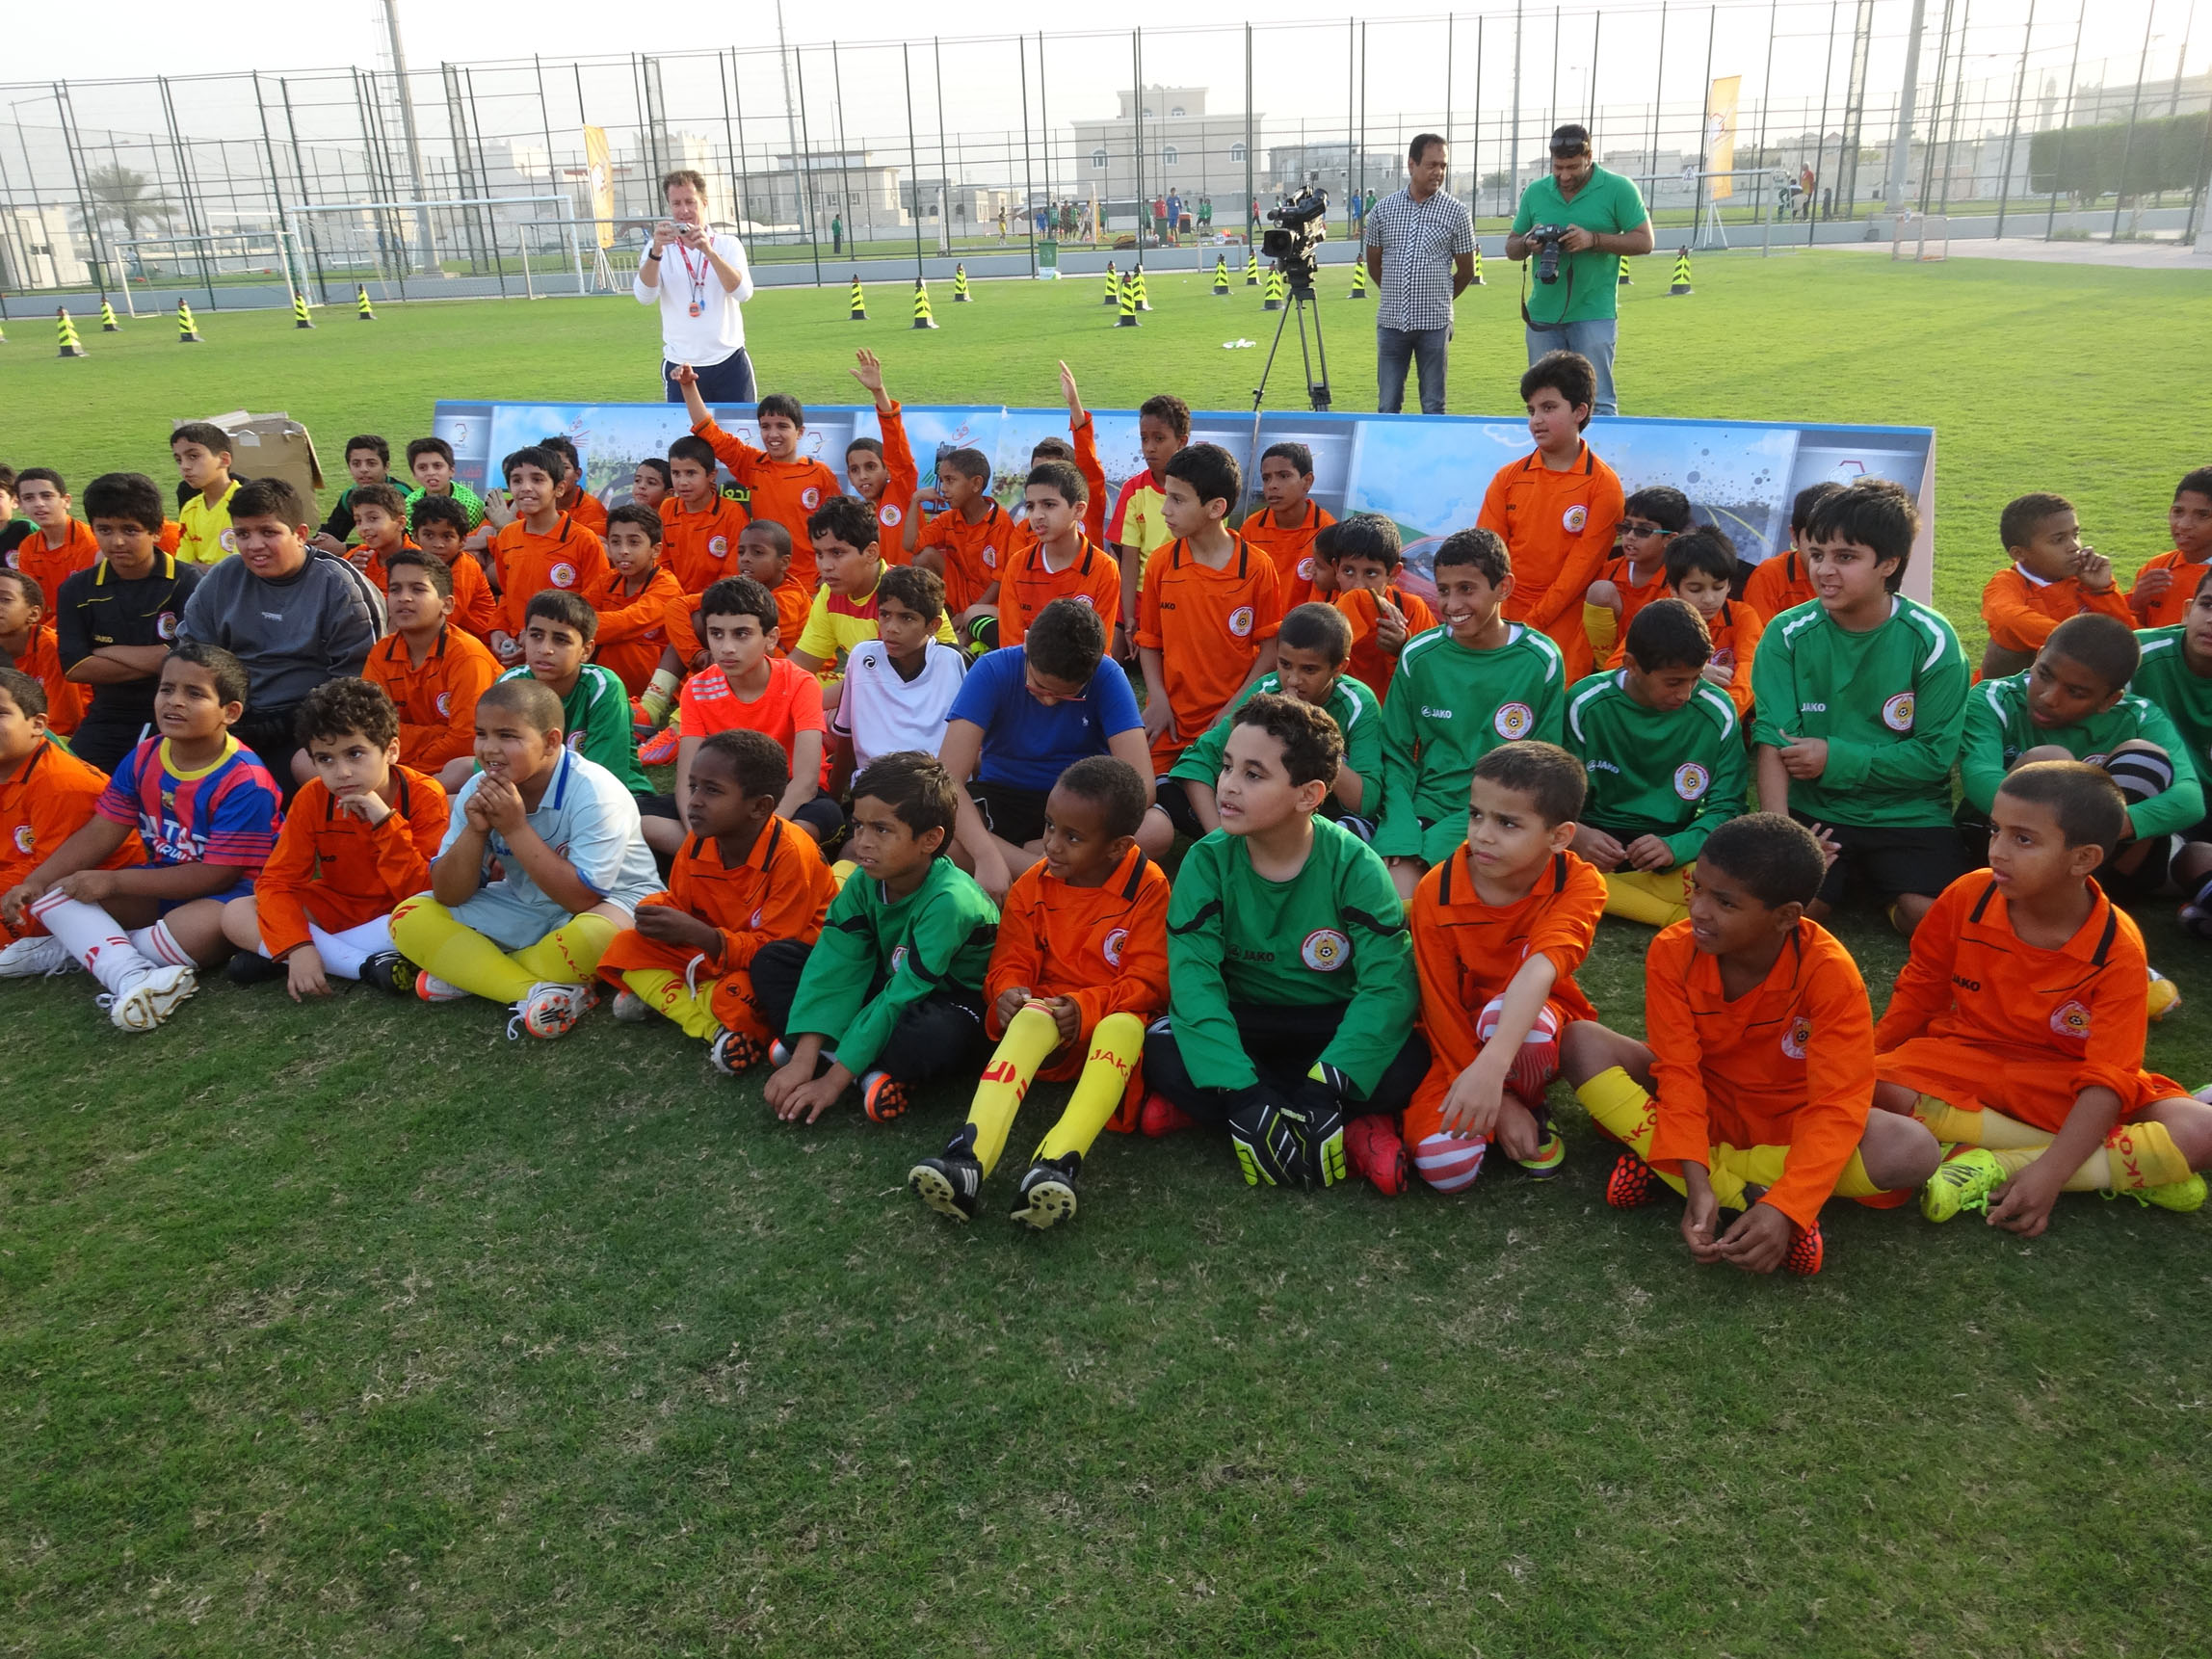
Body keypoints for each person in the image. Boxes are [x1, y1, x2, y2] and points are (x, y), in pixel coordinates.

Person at [1565, 813, 1940, 1277]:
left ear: (1786, 917)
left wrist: (1786, 1207)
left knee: (1913, 1149)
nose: (1699, 910)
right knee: (1581, 1040)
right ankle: (1727, 1191)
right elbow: (1678, 1072)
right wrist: (1699, 1182)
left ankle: (1670, 1169)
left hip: (1789, 1121)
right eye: (1697, 889)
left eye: (1724, 902)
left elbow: (1837, 1103)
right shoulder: (1672, 950)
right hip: (1703, 1107)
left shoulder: (1830, 972)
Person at [1881, 762, 2212, 1230]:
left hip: (2064, 1081)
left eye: (2023, 839)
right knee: (1866, 1087)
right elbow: (1919, 990)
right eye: (1996, 830)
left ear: (2084, 859)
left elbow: (2107, 1080)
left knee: (2201, 1130)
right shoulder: (1968, 895)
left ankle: (1997, 1164)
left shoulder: (2117, 948)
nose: (1997, 850)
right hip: (1963, 1059)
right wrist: (1869, 1057)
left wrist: (2051, 1174)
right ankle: (2129, 1167)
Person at [1141, 695, 1427, 1190]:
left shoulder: (1356, 865)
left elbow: (1388, 987)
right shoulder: (1206, 862)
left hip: (1329, 1020)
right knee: (1162, 1047)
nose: (1228, 785)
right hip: (1245, 1019)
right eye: (1227, 766)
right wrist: (1242, 1093)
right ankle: (1322, 1118)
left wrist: (1329, 1081)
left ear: (1309, 795)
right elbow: (1194, 983)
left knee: (1410, 1058)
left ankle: (1275, 1108)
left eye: (1254, 775)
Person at [908, 756, 1170, 1228]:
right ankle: (967, 1159)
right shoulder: (1034, 884)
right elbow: (1009, 961)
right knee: (1032, 1015)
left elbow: (1150, 982)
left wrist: (1085, 1008)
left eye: (1073, 837)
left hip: (1107, 1033)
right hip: (1046, 1028)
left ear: (1118, 847)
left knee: (1123, 1025)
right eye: (1049, 826)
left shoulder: (1148, 888)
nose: (1051, 844)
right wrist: (1008, 992)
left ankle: (1056, 1165)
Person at [0, 644, 280, 1030]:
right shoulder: (145, 755)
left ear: (230, 712)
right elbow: (102, 829)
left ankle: (97, 956)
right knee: (59, 893)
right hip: (165, 878)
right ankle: (126, 970)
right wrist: (36, 881)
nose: (175, 701)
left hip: (238, 894)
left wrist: (115, 882)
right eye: (166, 688)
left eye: (194, 693)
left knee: (191, 934)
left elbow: (218, 874)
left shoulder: (245, 779)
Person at [1751, 478, 1968, 936]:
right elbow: (1773, 740)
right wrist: (1783, 835)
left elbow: (1935, 757)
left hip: (1908, 813)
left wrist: (1834, 756)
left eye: (1846, 557)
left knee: (1929, 920)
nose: (1824, 570)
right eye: (1817, 554)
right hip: (1818, 810)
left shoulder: (1933, 640)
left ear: (1889, 563)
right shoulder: (1785, 634)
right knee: (1790, 916)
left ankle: (1879, 889)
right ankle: (1850, 881)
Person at [391, 676, 660, 1038]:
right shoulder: (478, 788)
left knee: (597, 936)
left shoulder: (595, 790)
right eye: (481, 734)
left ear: (551, 742)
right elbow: (448, 894)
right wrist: (475, 832)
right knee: (409, 916)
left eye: (507, 736)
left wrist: (515, 828)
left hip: (610, 905)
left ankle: (475, 972)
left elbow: (583, 899)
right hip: (528, 904)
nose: (489, 749)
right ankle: (534, 991)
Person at [1398, 742, 1605, 1194]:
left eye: (1507, 823)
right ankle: (1501, 1106)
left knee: (1507, 1018)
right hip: (1455, 1047)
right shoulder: (1436, 890)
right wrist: (1494, 1094)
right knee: (1445, 1168)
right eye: (1476, 815)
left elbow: (1540, 969)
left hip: (1536, 1030)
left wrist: (1494, 1072)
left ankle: (1530, 1099)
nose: (1483, 835)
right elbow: (1439, 1009)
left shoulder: (1579, 883)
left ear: (1560, 837)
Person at [755, 750, 1001, 1125]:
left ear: (930, 839)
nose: (863, 842)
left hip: (946, 1000)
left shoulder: (950, 900)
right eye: (859, 826)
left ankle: (844, 1061)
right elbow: (836, 962)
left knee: (932, 1037)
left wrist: (831, 1085)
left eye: (882, 830)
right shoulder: (862, 879)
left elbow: (904, 994)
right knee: (774, 960)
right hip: (888, 981)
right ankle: (844, 1061)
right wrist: (803, 1059)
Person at [596, 728, 836, 1071]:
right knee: (625, 948)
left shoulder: (791, 854)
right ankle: (709, 1017)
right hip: (718, 947)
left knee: (737, 996)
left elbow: (775, 953)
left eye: (712, 790)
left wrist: (701, 935)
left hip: (779, 963)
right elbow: (682, 903)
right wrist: (659, 913)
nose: (694, 801)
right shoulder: (698, 842)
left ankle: (690, 1008)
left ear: (760, 807)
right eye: (693, 786)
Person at [1959, 614, 2200, 923]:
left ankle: (2093, 892)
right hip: (1999, 847)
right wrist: (2062, 825)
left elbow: (2190, 799)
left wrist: (2101, 824)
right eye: (2044, 674)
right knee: (2050, 761)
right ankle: (2062, 899)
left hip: (2098, 855)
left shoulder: (2140, 715)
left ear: (2109, 700)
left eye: (2075, 692)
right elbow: (1978, 777)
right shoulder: (1995, 697)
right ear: (2039, 655)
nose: (2049, 697)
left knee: (2147, 758)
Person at [219, 677, 447, 999]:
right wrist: (298, 947)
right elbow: (278, 881)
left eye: (355, 754)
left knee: (433, 918)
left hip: (402, 911)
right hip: (338, 908)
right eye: (325, 759)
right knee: (236, 913)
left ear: (391, 750)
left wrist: (384, 822)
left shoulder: (425, 795)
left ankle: (292, 956)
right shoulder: (312, 797)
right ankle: (362, 964)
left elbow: (424, 889)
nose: (342, 772)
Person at [1377, 527, 1567, 899]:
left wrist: (1441, 844)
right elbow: (1395, 753)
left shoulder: (1541, 659)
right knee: (1393, 898)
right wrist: (1399, 830)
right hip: (1427, 807)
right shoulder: (1419, 655)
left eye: (1467, 589)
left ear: (1504, 587)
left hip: (1500, 815)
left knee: (1439, 894)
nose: (1451, 605)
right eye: (1443, 590)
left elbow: (1544, 766)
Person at [177, 477, 383, 798]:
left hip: (313, 728)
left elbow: (359, 685)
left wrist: (294, 722)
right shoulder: (223, 577)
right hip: (231, 718)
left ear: (300, 534)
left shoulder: (339, 586)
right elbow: (190, 656)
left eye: (268, 532)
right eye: (242, 534)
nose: (254, 545)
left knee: (268, 790)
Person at [940, 596, 1153, 903]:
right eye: (1038, 687)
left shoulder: (1107, 675)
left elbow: (1142, 784)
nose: (1050, 701)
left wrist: (1075, 833)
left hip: (1081, 802)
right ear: (1026, 643)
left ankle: (1031, 870)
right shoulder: (992, 669)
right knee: (940, 835)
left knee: (1156, 829)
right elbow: (947, 779)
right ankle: (1050, 870)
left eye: (1067, 695)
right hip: (1004, 794)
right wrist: (986, 855)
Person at [1146, 602, 1382, 856]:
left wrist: (1309, 729)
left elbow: (1365, 802)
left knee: (1360, 828)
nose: (1293, 680)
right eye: (1285, 664)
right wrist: (1221, 839)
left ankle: (1285, 852)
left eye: (1309, 670)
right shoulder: (1267, 690)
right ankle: (1242, 848)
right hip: (1261, 808)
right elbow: (1196, 762)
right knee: (1168, 788)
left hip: (1320, 814)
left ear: (1339, 668)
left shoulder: (1359, 704)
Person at [1567, 598, 1749, 928]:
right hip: (1596, 837)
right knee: (1537, 856)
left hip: (1675, 841)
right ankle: (1670, 912)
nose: (1687, 693)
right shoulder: (1585, 702)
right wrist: (1579, 834)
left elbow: (1729, 807)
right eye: (1674, 682)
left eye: (1696, 678)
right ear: (1632, 665)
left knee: (1742, 868)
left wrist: (1676, 846)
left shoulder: (1717, 710)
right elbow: (1551, 792)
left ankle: (1599, 889)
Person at [1478, 350, 1625, 679]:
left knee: (1555, 695)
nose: (1536, 421)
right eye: (1531, 410)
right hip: (1503, 606)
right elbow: (1486, 556)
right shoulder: (1507, 478)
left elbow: (1580, 571)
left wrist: (1533, 622)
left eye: (1548, 408)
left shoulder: (1603, 485)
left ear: (1580, 412)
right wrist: (1499, 617)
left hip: (1566, 612)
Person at [476, 594, 665, 851]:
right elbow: (489, 768)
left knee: (647, 827)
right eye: (536, 636)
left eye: (561, 640)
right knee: (459, 778)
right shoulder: (511, 684)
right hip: (532, 796)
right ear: (523, 638)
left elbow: (603, 779)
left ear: (586, 650)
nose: (545, 649)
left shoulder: (602, 686)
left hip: (611, 799)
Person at [1136, 444, 1282, 775]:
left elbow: (1270, 651)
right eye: (1166, 496)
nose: (1165, 510)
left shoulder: (1257, 567)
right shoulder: (1161, 563)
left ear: (1216, 508)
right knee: (1138, 788)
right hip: (1170, 717)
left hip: (1233, 716)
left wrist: (1234, 710)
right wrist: (1158, 701)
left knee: (1231, 786)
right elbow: (1149, 641)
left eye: (1178, 500)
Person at [53, 472, 202, 774]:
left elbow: (191, 661)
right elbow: (75, 668)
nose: (117, 541)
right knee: (72, 779)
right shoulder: (76, 590)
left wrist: (106, 652)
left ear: (156, 531)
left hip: (173, 711)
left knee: (145, 783)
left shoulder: (188, 582)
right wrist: (161, 658)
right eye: (104, 530)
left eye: (130, 530)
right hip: (106, 714)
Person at [675, 576, 838, 846]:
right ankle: (718, 849)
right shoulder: (697, 688)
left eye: (741, 634)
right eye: (716, 634)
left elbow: (807, 781)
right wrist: (695, 833)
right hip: (724, 795)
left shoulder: (799, 683)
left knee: (815, 820)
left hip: (788, 793)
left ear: (771, 638)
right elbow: (686, 782)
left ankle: (750, 848)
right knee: (643, 816)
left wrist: (758, 836)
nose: (726, 647)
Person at [1506, 123, 1655, 417]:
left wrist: (1593, 240)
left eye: (1572, 167)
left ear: (1589, 157)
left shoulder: (1618, 188)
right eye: (1558, 167)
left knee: (1598, 402)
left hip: (1594, 312)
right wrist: (1528, 242)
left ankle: (1600, 449)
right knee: (1543, 401)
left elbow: (1645, 241)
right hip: (1543, 316)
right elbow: (1511, 247)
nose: (1564, 175)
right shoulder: (1536, 192)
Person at [0, 667, 139, 978]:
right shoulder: (11, 765)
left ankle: (75, 945)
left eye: (0, 713)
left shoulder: (59, 782)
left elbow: (45, 876)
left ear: (38, 724)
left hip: (94, 899)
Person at [673, 365, 841, 592]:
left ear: (800, 432)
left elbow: (837, 530)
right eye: (765, 427)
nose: (773, 434)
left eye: (782, 426)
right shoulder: (752, 464)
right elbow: (709, 432)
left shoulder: (820, 474)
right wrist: (688, 386)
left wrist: (829, 572)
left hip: (808, 583)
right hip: (763, 582)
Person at [1363, 133, 1477, 415]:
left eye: (1443, 165)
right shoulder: (1383, 210)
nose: (1438, 172)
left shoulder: (1457, 212)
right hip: (1391, 323)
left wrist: (1439, 298)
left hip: (1434, 325)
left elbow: (1466, 271)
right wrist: (1396, 294)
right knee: (1387, 405)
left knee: (1434, 405)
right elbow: (1374, 264)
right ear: (1411, 164)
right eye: (1431, 164)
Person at [364, 546, 502, 775]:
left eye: (418, 589)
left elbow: (465, 741)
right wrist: (436, 733)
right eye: (395, 589)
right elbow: (371, 729)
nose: (404, 598)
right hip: (403, 764)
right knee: (308, 760)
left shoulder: (466, 654)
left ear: (447, 605)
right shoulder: (381, 652)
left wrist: (408, 775)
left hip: (461, 768)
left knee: (459, 771)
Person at [829, 565, 966, 789]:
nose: (891, 628)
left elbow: (972, 741)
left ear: (933, 626)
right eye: (885, 614)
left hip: (934, 788)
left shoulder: (952, 661)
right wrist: (833, 795)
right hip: (873, 787)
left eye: (907, 618)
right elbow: (846, 735)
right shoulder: (862, 657)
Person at [2130, 569, 2212, 933]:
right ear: (2188, 610)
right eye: (2208, 605)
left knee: (2195, 858)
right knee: (2184, 858)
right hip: (2158, 811)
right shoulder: (2137, 656)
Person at [637, 168, 757, 407]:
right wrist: (656, 252)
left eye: (690, 202)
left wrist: (709, 252)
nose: (684, 211)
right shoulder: (656, 248)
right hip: (680, 365)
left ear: (703, 203)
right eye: (676, 203)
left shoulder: (727, 245)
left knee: (738, 430)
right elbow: (644, 296)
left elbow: (743, 293)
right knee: (687, 432)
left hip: (729, 361)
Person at [1978, 491, 2128, 679]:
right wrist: (2083, 645)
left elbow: (2126, 640)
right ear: (2019, 554)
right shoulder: (2007, 582)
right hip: (2016, 690)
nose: (2074, 546)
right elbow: (2007, 620)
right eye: (2058, 540)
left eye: (2076, 534)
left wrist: (2103, 591)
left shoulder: (2085, 578)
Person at [487, 445, 607, 667]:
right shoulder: (507, 537)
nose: (526, 488)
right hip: (514, 650)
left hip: (561, 655)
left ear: (559, 488)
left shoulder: (584, 541)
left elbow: (595, 607)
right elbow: (507, 596)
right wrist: (498, 629)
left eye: (537, 479)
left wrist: (538, 639)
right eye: (517, 480)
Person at [1636, 526, 1765, 717]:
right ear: (1673, 589)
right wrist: (1692, 674)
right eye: (1695, 589)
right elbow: (1619, 666)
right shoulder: (1658, 615)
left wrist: (1719, 717)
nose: (1709, 599)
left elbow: (1749, 673)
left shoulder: (1743, 616)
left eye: (1718, 587)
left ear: (1729, 585)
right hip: (1664, 716)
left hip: (1718, 716)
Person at [996, 462, 1119, 650]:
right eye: (1030, 506)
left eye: (1049, 505)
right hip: (1025, 667)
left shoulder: (1104, 569)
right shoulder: (1018, 565)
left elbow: (1098, 651)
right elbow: (1011, 647)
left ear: (1078, 510)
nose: (1037, 515)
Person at [1108, 393, 1193, 645]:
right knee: (1112, 651)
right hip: (1137, 596)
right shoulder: (1133, 490)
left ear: (1181, 441)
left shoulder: (1199, 488)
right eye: (1144, 438)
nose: (1149, 447)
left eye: (1159, 438)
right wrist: (1129, 617)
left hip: (1182, 595)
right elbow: (1129, 559)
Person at [907, 448, 1009, 653]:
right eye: (942, 481)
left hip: (991, 604)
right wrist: (915, 500)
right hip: (961, 596)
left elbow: (1000, 580)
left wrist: (971, 612)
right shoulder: (949, 519)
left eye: (950, 480)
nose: (944, 488)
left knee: (955, 648)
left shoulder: (1001, 522)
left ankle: (970, 634)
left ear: (976, 484)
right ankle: (941, 618)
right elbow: (911, 545)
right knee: (923, 557)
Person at [1329, 514, 1435, 701]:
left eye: (1371, 573)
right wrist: (1368, 599)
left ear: (1394, 574)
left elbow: (1433, 674)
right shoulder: (1326, 614)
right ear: (1336, 569)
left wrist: (1402, 648)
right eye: (1348, 571)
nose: (1358, 585)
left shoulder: (1411, 609)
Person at [1581, 485, 1691, 665]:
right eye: (1626, 527)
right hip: (1611, 665)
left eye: (1643, 530)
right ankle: (1606, 668)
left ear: (1669, 539)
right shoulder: (1608, 570)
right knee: (1600, 590)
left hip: (1654, 664)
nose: (1630, 536)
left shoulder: (1679, 580)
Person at [586, 504, 682, 699]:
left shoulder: (667, 586)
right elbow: (577, 608)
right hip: (611, 691)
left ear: (656, 550)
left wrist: (568, 626)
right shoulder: (607, 581)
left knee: (615, 639)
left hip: (657, 698)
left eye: (634, 542)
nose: (623, 551)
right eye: (615, 542)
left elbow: (626, 622)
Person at [1238, 442, 1336, 608]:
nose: (1272, 485)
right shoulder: (1251, 529)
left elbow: (1325, 602)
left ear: (1307, 481)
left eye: (1283, 476)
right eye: (1266, 478)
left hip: (1307, 622)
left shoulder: (1327, 530)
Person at [844, 350, 920, 562]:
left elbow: (896, 447)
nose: (863, 476)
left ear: (888, 470)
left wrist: (879, 392)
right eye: (855, 470)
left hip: (911, 581)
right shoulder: (856, 516)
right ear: (849, 477)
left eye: (871, 467)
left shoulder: (902, 492)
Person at [2125, 465, 2212, 629]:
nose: (2183, 524)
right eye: (2178, 511)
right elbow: (2132, 633)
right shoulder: (2157, 566)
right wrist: (2137, 603)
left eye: (2203, 515)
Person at [1744, 481, 1844, 619]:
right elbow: (1760, 632)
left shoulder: (1859, 573)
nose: (1826, 568)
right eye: (1817, 540)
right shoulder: (1769, 576)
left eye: (1843, 554)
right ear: (1794, 536)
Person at [0, 571, 83, 738]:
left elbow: (64, 723)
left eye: (5, 599)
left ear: (34, 614)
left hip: (60, 736)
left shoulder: (52, 647)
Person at [406, 494, 498, 642]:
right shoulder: (414, 561)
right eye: (429, 535)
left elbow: (447, 617)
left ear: (463, 540)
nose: (438, 544)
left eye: (447, 536)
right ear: (415, 537)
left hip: (477, 639)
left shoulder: (465, 567)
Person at [6, 468, 99, 603]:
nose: (39, 504)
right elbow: (31, 600)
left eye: (47, 496)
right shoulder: (28, 546)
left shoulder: (91, 542)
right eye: (29, 498)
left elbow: (90, 600)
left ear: (66, 501)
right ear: (21, 506)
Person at [171, 423, 241, 566]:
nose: (184, 466)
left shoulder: (247, 504)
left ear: (224, 460)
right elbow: (184, 567)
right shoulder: (190, 509)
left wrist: (200, 568)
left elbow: (240, 568)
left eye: (193, 456)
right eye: (179, 460)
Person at [311, 434, 391, 554]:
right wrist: (316, 542)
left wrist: (345, 549)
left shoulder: (402, 496)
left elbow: (406, 544)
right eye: (356, 464)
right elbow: (334, 530)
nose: (363, 469)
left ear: (386, 467)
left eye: (371, 463)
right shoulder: (350, 496)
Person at [402, 437, 488, 540]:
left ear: (452, 470)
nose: (431, 473)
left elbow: (466, 542)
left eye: (437, 466)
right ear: (414, 474)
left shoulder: (469, 504)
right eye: (422, 468)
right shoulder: (409, 504)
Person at [539, 435, 610, 540]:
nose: (556, 474)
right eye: (548, 468)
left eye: (564, 468)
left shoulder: (593, 511)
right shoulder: (528, 504)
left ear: (578, 474)